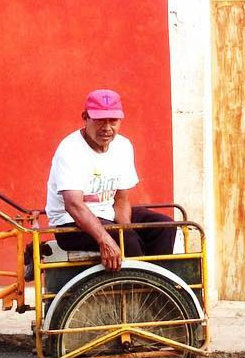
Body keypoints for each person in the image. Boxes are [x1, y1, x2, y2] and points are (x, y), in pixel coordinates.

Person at [45, 89, 175, 279]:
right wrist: (106, 239)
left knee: (164, 227)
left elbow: (121, 199)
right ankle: (139, 293)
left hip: (107, 214)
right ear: (85, 117)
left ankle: (160, 288)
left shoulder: (123, 146)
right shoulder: (70, 150)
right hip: (70, 223)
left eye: (113, 121)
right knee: (127, 240)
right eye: (99, 120)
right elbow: (73, 205)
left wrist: (126, 230)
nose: (107, 128)